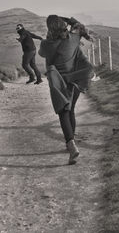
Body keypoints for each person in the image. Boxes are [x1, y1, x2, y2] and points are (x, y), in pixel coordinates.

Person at [38, 15, 94, 165]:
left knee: (63, 112)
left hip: (59, 83)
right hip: (74, 81)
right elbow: (79, 25)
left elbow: (42, 54)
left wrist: (49, 36)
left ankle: (71, 145)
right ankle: (72, 141)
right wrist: (68, 20)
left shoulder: (45, 45)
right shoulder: (73, 39)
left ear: (50, 28)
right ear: (63, 26)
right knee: (71, 110)